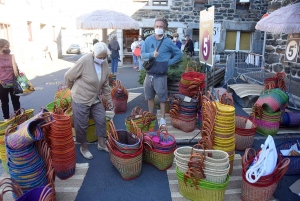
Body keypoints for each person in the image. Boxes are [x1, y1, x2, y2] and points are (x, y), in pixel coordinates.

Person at [64, 42, 114, 159]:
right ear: (93, 53)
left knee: (101, 118)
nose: (102, 60)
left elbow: (106, 85)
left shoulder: (105, 63)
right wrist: (73, 89)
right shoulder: (84, 60)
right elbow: (68, 76)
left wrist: (110, 101)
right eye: (99, 57)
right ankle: (84, 147)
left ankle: (101, 144)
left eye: (104, 57)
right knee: (81, 124)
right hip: (81, 97)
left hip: (94, 97)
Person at [141, 18, 182, 127]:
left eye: (161, 26)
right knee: (149, 97)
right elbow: (142, 55)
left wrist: (168, 63)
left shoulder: (168, 42)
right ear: (154, 27)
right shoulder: (148, 40)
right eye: (156, 26)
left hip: (161, 76)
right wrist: (151, 55)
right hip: (149, 74)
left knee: (162, 98)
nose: (158, 28)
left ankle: (163, 118)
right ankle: (151, 115)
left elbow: (179, 54)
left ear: (165, 28)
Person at [0, 39, 20, 121]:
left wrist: (16, 68)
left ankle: (18, 116)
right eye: (6, 47)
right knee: (4, 101)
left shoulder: (12, 56)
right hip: (2, 83)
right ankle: (6, 118)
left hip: (13, 82)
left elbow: (15, 69)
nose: (8, 48)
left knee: (15, 100)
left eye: (9, 47)